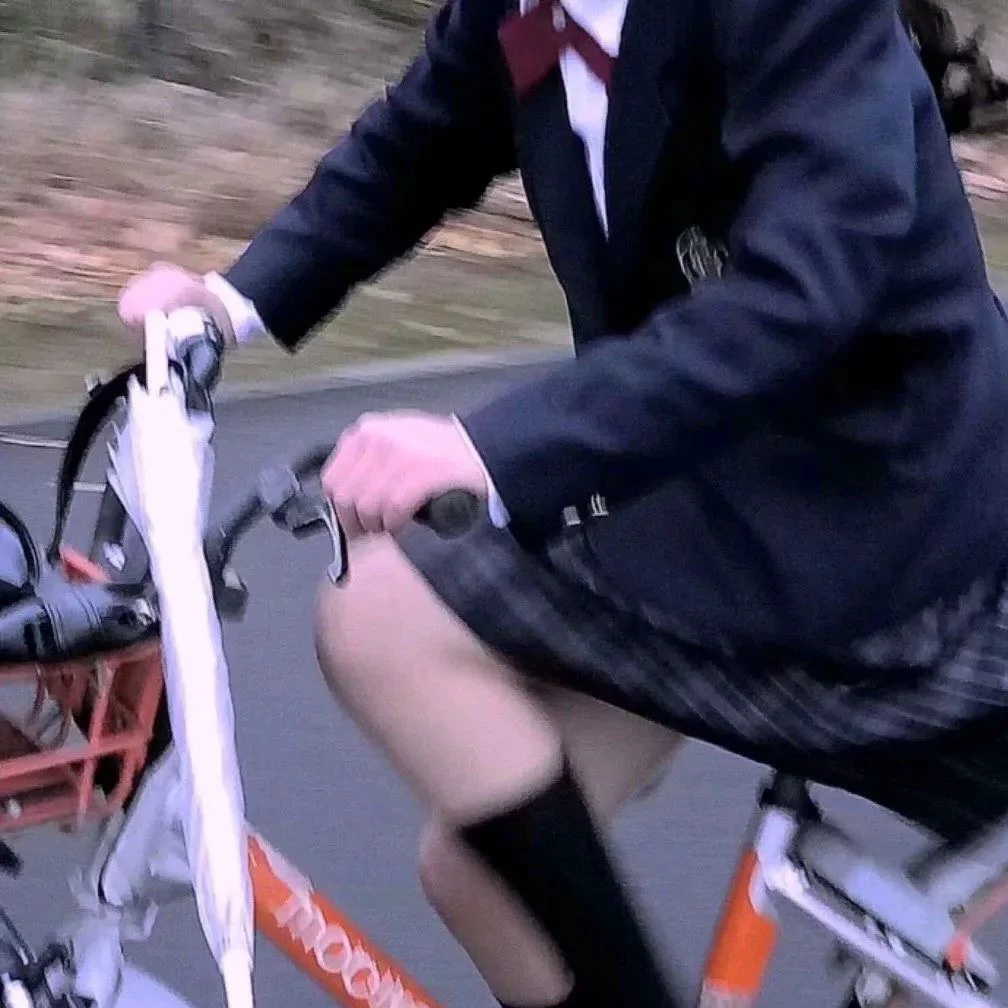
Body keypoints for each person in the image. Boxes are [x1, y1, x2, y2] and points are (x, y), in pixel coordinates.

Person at [118, 0, 1008, 1004]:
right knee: (483, 874)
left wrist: (487, 452)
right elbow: (422, 139)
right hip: (705, 484)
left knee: (382, 614)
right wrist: (231, 301)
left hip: (872, 526)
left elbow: (798, 299)